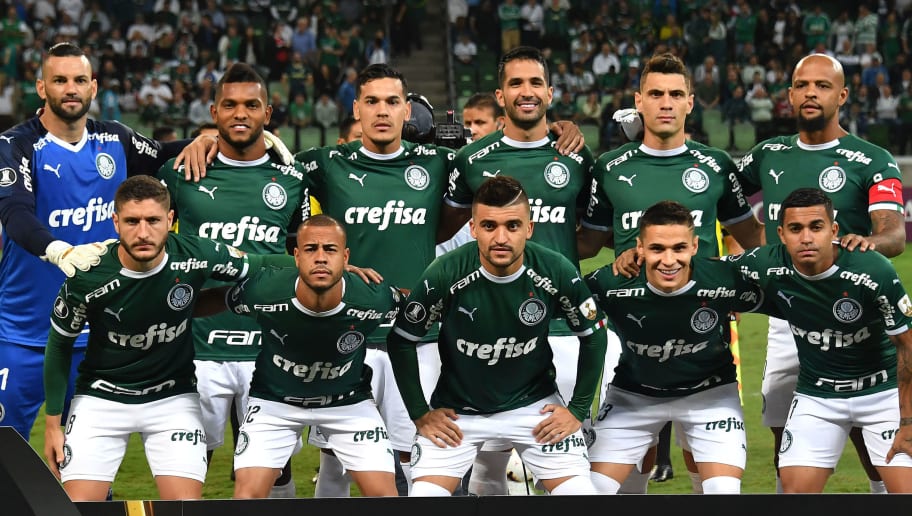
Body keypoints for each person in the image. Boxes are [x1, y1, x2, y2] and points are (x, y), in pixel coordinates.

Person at [298, 62, 584, 497]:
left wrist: (562, 126)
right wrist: (202, 139)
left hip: (419, 337)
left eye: (392, 102)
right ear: (356, 108)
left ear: (407, 110)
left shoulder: (439, 163)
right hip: (346, 330)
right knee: (336, 461)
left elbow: (508, 148)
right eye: (371, 101)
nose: (381, 111)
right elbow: (260, 165)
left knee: (422, 457)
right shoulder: (326, 163)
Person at [0, 41, 215, 442]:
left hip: (96, 336)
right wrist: (58, 250)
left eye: (79, 80)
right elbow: (15, 214)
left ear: (93, 87)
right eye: (59, 80)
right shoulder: (16, 146)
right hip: (23, 335)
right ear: (41, 88)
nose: (70, 89)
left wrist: (202, 141)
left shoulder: (116, 139)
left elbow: (166, 154)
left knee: (87, 460)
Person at [576, 52, 764, 494]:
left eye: (675, 94)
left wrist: (725, 277)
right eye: (656, 94)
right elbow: (588, 242)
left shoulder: (716, 164)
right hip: (627, 329)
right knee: (622, 463)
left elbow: (750, 238)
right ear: (638, 102)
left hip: (701, 322)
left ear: (690, 103)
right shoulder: (610, 168)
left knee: (702, 447)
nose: (666, 102)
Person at [736, 53, 906, 494]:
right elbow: (720, 195)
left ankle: (882, 490)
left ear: (842, 95)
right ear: (790, 94)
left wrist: (864, 245)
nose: (811, 92)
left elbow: (892, 234)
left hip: (855, 313)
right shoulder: (767, 154)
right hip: (789, 306)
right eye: (803, 85)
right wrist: (741, 251)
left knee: (860, 414)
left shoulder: (870, 159)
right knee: (779, 415)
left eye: (823, 85)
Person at [438, 46, 603, 495]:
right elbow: (437, 231)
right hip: (487, 332)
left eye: (535, 83)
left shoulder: (577, 157)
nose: (526, 92)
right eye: (516, 83)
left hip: (562, 329)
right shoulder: (470, 160)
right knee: (487, 466)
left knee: (571, 458)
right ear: (500, 94)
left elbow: (590, 238)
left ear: (550, 93)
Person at [42, 175, 269, 501]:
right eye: (132, 221)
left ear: (170, 221)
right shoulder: (87, 272)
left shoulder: (197, 253)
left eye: (153, 220)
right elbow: (60, 344)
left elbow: (263, 265)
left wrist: (333, 270)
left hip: (172, 399)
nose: (143, 232)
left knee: (184, 509)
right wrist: (53, 424)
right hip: (101, 399)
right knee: (78, 508)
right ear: (116, 222)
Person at [387, 175, 607, 496]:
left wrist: (576, 410)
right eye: (489, 226)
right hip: (458, 412)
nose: (501, 237)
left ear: (529, 229)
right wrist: (420, 413)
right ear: (473, 229)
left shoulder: (554, 269)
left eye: (513, 226)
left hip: (534, 406)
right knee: (424, 501)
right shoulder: (445, 272)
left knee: (581, 499)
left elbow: (594, 335)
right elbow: (402, 339)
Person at [156, 62, 308, 498]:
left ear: (268, 113)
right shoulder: (181, 176)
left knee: (273, 471)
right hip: (196, 348)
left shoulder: (293, 182)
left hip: (269, 345)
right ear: (213, 111)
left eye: (251, 105)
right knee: (188, 465)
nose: (240, 114)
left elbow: (304, 253)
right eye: (229, 105)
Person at [730, 187, 912, 493]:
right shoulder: (764, 264)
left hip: (882, 394)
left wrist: (908, 422)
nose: (806, 238)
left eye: (816, 227)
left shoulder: (872, 270)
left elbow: (907, 346)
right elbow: (703, 273)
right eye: (795, 229)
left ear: (833, 230)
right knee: (796, 495)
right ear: (781, 233)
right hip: (818, 397)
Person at [585, 200, 763, 494]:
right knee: (594, 491)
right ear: (639, 248)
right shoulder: (610, 284)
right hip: (633, 397)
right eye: (657, 249)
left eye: (679, 248)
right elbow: (556, 309)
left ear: (695, 246)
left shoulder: (724, 279)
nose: (669, 260)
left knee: (722, 492)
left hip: (710, 396)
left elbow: (789, 297)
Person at [228, 215, 401, 498]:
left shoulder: (374, 298)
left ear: (345, 257)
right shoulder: (263, 290)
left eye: (330, 250)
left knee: (385, 497)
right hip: (274, 402)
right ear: (296, 256)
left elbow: (416, 307)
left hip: (348, 402)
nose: (320, 258)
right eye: (311, 249)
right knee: (246, 497)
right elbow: (218, 300)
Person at [435, 92, 505, 257]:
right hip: (455, 235)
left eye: (480, 122)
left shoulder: (510, 159)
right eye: (468, 123)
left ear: (500, 123)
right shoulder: (458, 160)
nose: (472, 129)